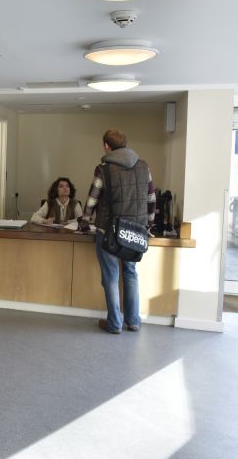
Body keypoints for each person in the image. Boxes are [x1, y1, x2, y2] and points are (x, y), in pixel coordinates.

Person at [80, 129, 155, 334]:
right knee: (130, 273)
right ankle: (133, 321)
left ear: (106, 146)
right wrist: (149, 224)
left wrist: (85, 221)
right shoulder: (143, 166)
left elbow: (92, 199)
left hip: (109, 230)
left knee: (111, 277)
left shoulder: (104, 169)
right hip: (136, 231)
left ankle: (114, 324)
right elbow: (151, 198)